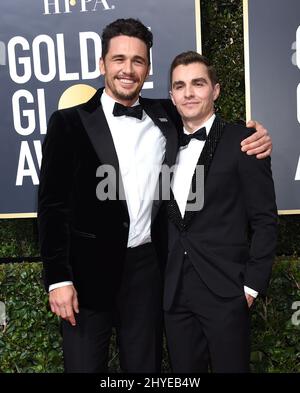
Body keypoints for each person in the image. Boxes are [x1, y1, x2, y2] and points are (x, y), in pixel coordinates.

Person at [38, 19, 272, 373]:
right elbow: (52, 207)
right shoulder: (67, 123)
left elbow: (205, 121)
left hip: (147, 275)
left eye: (137, 61)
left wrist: (253, 133)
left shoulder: (165, 114)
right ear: (103, 64)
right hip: (87, 277)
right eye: (119, 59)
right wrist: (59, 278)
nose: (127, 70)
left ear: (147, 68)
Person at [164, 51, 278, 373]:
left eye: (198, 84)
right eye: (180, 86)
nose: (189, 93)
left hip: (226, 291)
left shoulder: (244, 141)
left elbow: (265, 220)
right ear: (171, 95)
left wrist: (251, 287)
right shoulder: (163, 145)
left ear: (215, 90)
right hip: (174, 294)